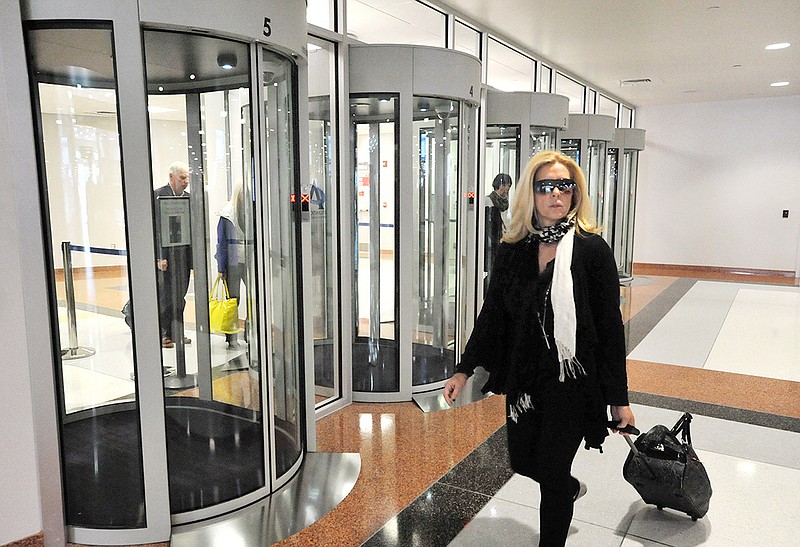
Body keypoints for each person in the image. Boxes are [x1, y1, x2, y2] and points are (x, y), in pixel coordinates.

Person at [444, 150, 635, 546]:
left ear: (575, 193)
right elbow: (494, 314)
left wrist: (618, 398)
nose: (555, 194)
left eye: (564, 186)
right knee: (524, 460)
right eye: (545, 186)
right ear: (530, 193)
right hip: (525, 378)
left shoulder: (592, 251)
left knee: (550, 469)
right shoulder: (514, 249)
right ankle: (567, 488)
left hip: (572, 381)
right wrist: (464, 369)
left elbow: (610, 329)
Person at [154, 161, 193, 349]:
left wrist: (194, 261)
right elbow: (155, 230)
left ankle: (177, 332)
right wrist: (159, 256)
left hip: (183, 257)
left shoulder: (188, 198)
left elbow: (193, 230)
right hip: (166, 258)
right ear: (171, 177)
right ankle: (163, 333)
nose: (186, 181)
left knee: (181, 296)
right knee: (166, 296)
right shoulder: (158, 196)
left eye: (187, 178)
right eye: (182, 178)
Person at [215, 184, 247, 348]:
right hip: (233, 263)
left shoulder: (252, 209)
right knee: (233, 300)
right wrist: (221, 268)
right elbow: (221, 243)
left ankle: (250, 332)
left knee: (253, 299)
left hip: (249, 261)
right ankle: (231, 336)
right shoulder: (227, 213)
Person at [485, 173, 513, 288]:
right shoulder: (488, 201)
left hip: (504, 239)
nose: (507, 189)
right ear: (500, 185)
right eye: (506, 185)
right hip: (492, 241)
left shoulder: (506, 203)